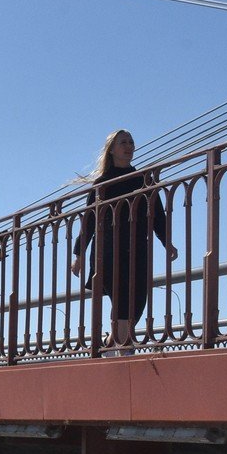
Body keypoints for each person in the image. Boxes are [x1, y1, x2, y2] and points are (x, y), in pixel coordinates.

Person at [69, 129, 179, 352]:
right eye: (123, 142)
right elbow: (89, 221)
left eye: (131, 141)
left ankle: (113, 343)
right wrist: (78, 255)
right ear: (112, 150)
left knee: (138, 297)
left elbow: (157, 214)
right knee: (121, 296)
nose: (129, 146)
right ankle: (124, 347)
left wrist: (167, 242)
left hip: (137, 247)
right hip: (108, 250)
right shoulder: (102, 184)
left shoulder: (142, 179)